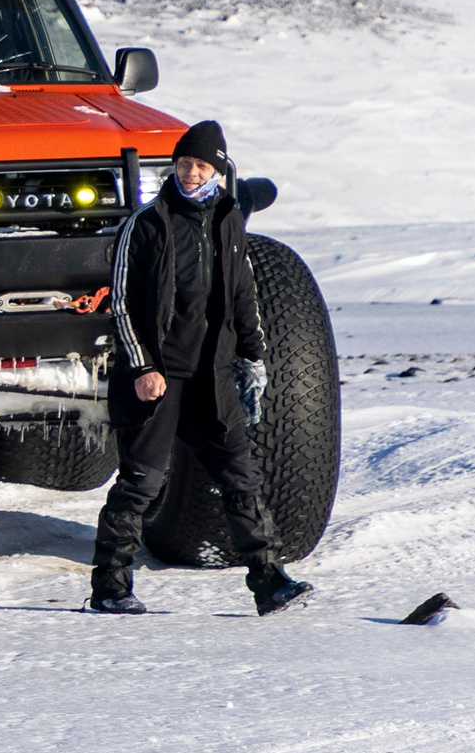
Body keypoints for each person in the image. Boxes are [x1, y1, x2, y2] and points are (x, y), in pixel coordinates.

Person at [88, 119, 314, 616]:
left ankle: (269, 581)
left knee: (241, 478)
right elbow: (121, 303)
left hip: (212, 377)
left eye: (202, 166)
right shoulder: (146, 224)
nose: (191, 173)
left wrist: (252, 358)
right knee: (141, 482)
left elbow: (243, 294)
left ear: (218, 171)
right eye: (185, 163)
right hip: (159, 377)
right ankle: (110, 587)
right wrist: (142, 367)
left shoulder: (229, 219)